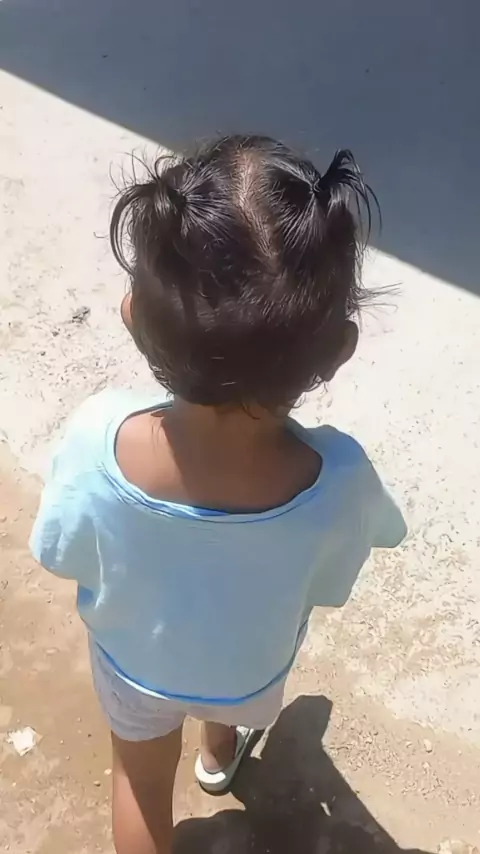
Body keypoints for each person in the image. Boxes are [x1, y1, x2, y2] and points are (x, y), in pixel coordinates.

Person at [30, 135, 406, 854]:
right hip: (246, 672)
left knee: (140, 785)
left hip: (136, 667)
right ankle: (217, 755)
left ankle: (201, 761)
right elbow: (331, 584)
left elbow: (61, 553)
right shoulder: (339, 478)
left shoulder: (94, 440)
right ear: (338, 352)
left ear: (134, 316)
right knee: (224, 666)